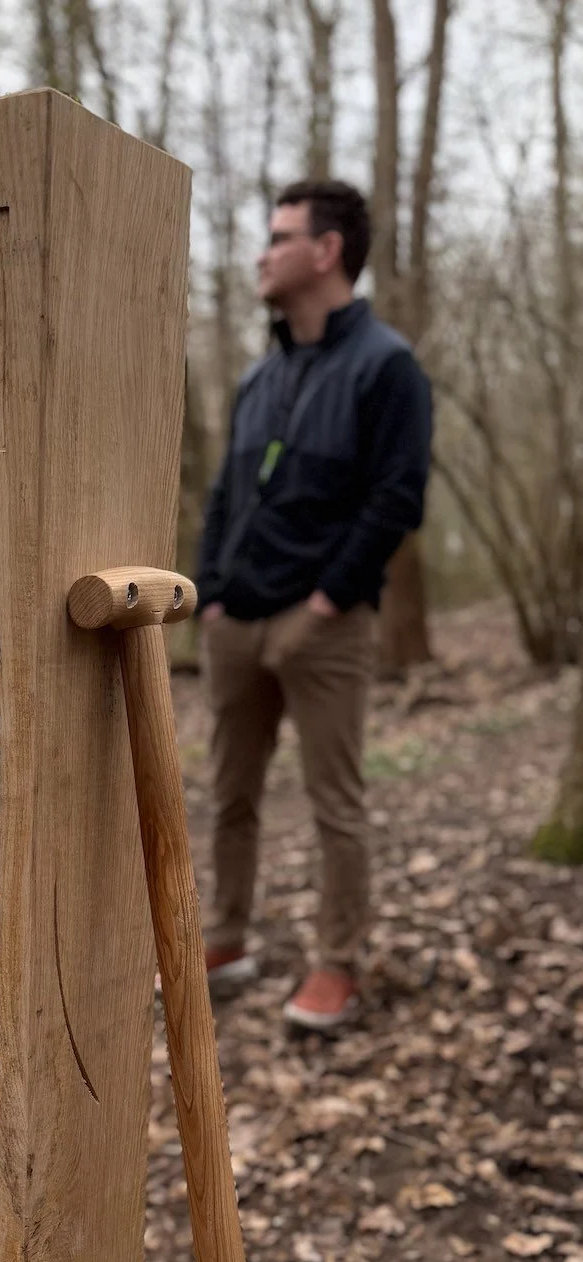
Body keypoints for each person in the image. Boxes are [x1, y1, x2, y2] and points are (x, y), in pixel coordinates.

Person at [196, 178, 432, 1032]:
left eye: (279, 236)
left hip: (324, 626)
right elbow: (226, 493)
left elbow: (397, 498)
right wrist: (212, 594)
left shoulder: (386, 366)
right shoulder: (259, 376)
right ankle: (224, 936)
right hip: (235, 623)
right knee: (229, 796)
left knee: (335, 803)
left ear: (326, 251)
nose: (261, 253)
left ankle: (337, 962)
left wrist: (327, 601)